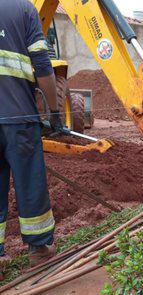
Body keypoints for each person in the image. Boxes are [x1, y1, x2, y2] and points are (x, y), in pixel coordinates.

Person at [0, 0, 62, 266]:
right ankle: (38, 249)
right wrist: (54, 111)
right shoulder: (25, 10)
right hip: (19, 117)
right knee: (30, 183)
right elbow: (43, 65)